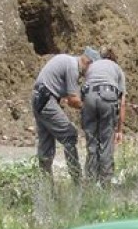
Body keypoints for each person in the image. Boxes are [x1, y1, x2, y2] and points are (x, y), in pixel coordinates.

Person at [31, 46, 100, 182]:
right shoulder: (73, 68)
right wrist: (90, 108)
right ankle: (77, 179)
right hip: (46, 100)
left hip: (39, 99)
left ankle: (45, 187)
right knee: (69, 134)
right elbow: (72, 100)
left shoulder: (68, 62)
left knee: (46, 146)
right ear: (88, 63)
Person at [81, 46, 127, 185]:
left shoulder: (93, 66)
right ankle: (105, 182)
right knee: (106, 142)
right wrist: (119, 130)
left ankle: (90, 181)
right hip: (108, 96)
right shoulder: (117, 69)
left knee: (92, 141)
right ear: (113, 58)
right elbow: (122, 103)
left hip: (88, 96)